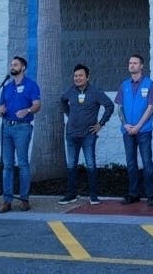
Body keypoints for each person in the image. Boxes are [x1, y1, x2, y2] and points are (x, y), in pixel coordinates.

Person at [58, 64, 114, 205]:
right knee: (71, 165)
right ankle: (71, 195)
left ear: (87, 77)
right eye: (75, 76)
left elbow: (109, 105)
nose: (77, 78)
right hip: (71, 134)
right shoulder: (71, 91)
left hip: (88, 135)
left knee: (90, 164)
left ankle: (93, 196)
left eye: (81, 75)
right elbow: (63, 100)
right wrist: (69, 115)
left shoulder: (95, 92)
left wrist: (100, 124)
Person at [0, 55, 41, 213]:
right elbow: (0, 108)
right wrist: (0, 111)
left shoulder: (31, 85)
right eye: (11, 65)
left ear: (23, 68)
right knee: (7, 165)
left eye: (15, 65)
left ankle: (24, 199)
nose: (12, 67)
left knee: (22, 163)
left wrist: (27, 110)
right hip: (6, 128)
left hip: (22, 128)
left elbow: (37, 105)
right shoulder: (6, 87)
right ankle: (7, 201)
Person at [115, 54, 153, 206]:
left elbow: (150, 107)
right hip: (127, 131)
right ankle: (133, 194)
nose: (132, 65)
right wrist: (126, 124)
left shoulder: (149, 84)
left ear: (142, 66)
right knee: (131, 163)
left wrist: (139, 126)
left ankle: (151, 195)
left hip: (144, 131)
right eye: (130, 62)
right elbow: (119, 107)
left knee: (147, 162)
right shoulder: (124, 85)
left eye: (135, 63)